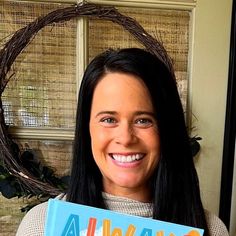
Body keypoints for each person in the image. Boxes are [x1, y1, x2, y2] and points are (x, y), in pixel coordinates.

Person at [16, 48, 229, 236]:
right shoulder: (41, 226)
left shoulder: (211, 230)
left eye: (143, 120)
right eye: (109, 119)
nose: (126, 138)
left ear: (167, 130)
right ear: (87, 129)